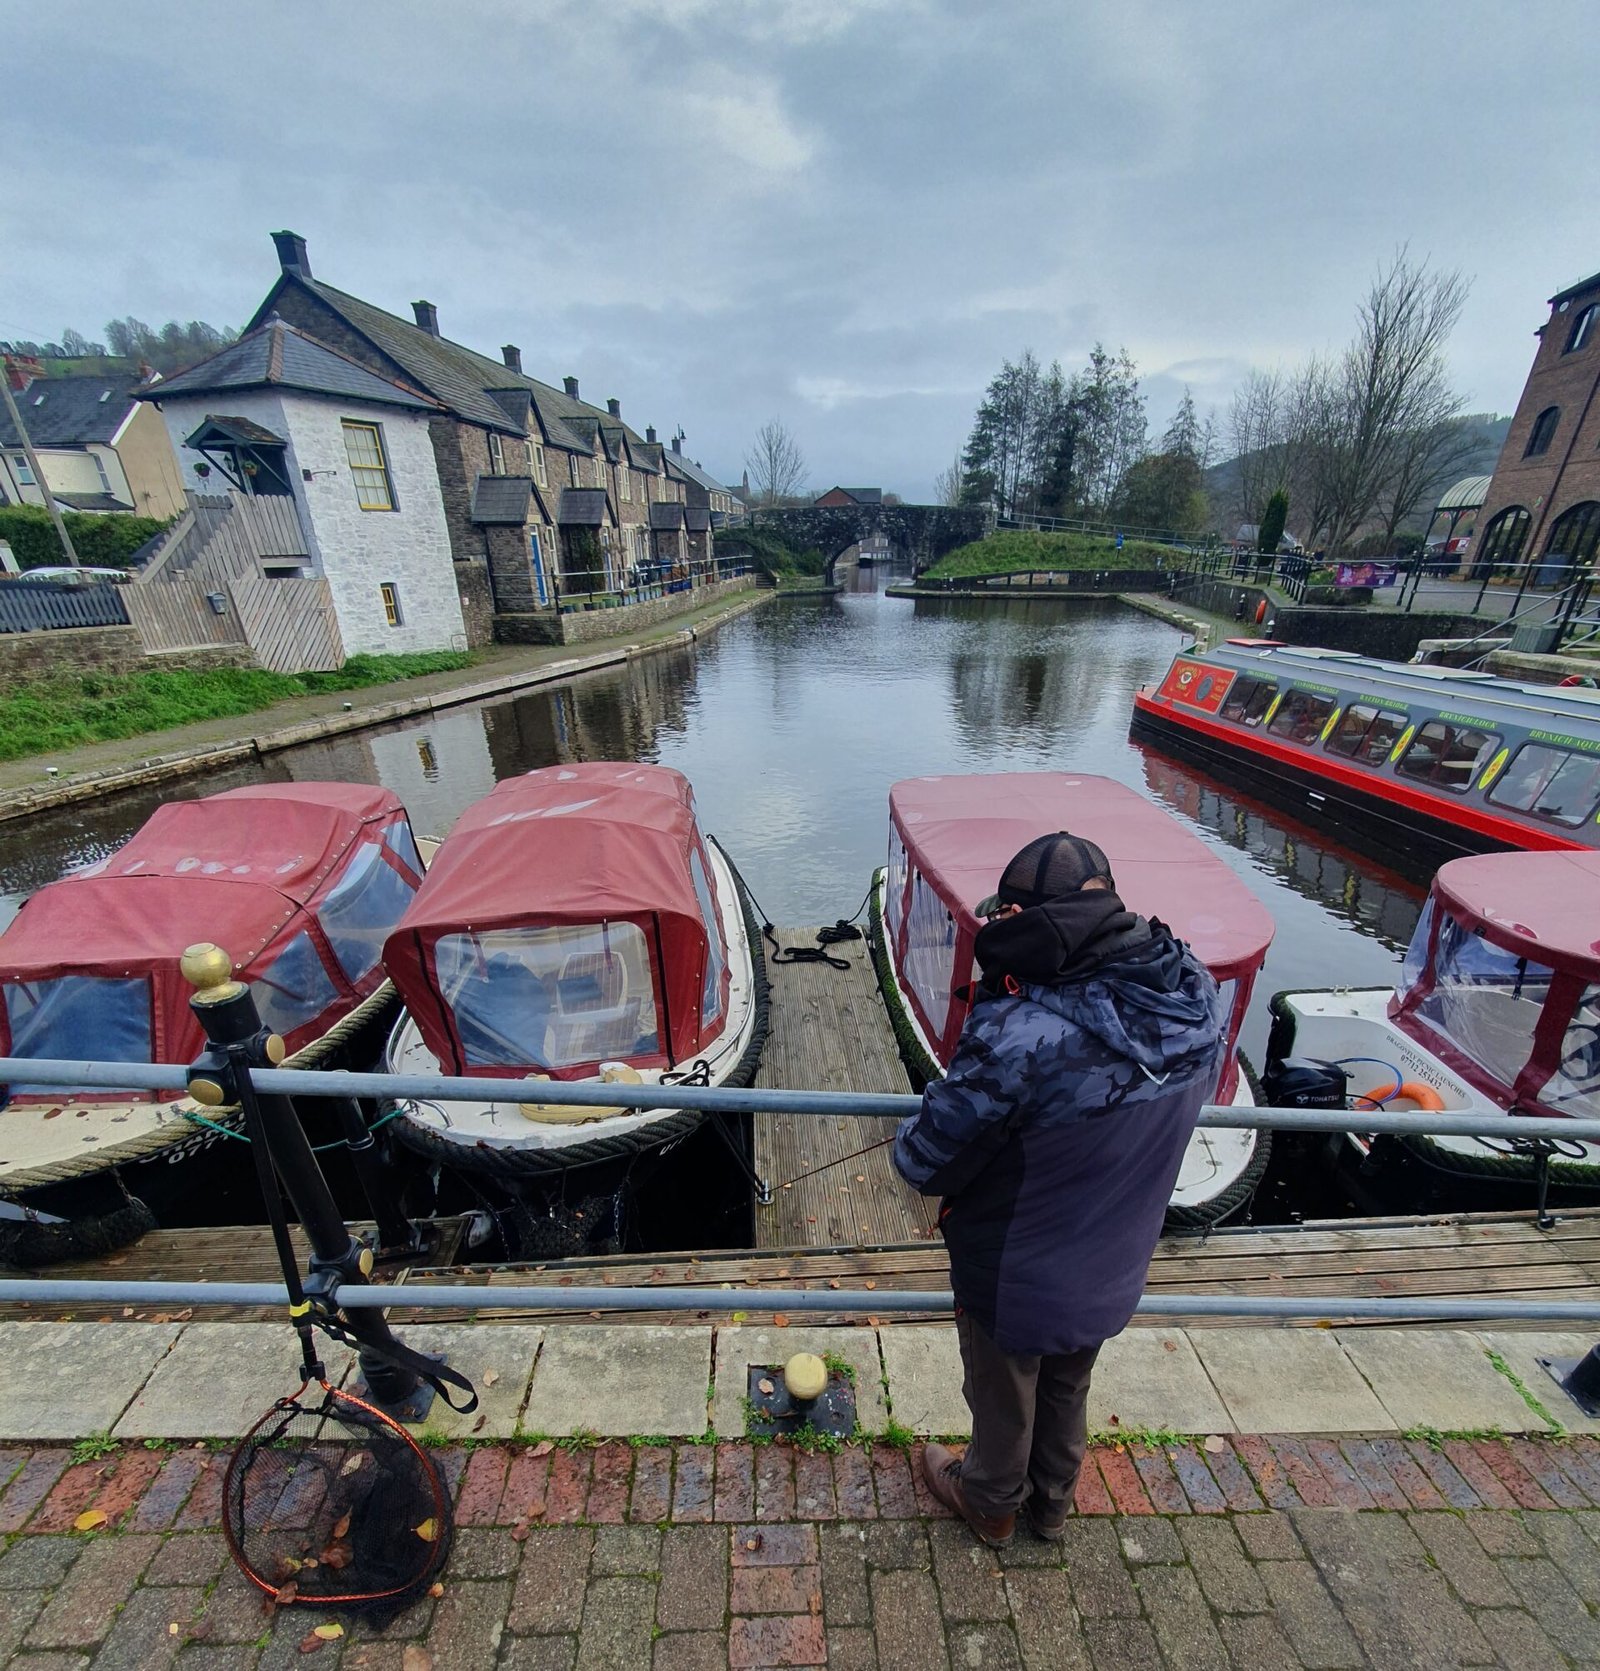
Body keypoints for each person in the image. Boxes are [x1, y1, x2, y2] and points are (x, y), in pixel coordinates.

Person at [893, 832, 1226, 1546]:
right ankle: (1050, 1505)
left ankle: (989, 1502)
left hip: (1018, 1270)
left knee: (1003, 1392)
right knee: (1068, 1380)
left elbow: (924, 1160)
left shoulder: (1022, 1032)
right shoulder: (1192, 991)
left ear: (1018, 914)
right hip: (1116, 1256)